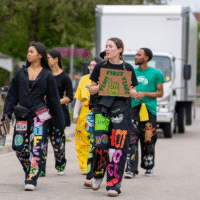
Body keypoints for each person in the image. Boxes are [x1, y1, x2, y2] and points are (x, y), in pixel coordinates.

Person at [1, 42, 65, 191]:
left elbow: (54, 100)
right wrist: (7, 114)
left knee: (36, 147)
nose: (28, 54)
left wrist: (59, 123)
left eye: (32, 52)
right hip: (22, 115)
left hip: (39, 116)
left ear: (40, 55)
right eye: (28, 52)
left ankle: (31, 178)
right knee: (18, 146)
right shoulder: (20, 73)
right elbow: (11, 95)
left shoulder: (47, 75)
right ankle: (30, 168)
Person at [89, 37, 138, 197]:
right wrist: (104, 85)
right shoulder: (100, 66)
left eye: (111, 46)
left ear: (120, 49)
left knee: (118, 148)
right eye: (106, 46)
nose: (107, 49)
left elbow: (134, 93)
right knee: (100, 144)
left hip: (121, 111)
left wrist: (125, 89)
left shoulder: (128, 68)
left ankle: (114, 184)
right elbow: (91, 90)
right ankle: (98, 173)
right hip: (101, 111)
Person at [124, 48, 164, 179]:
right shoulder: (131, 73)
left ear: (146, 58)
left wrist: (145, 93)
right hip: (133, 109)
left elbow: (160, 93)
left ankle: (148, 166)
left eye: (138, 55)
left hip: (148, 110)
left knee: (148, 138)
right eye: (136, 54)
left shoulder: (156, 73)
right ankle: (131, 169)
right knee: (132, 138)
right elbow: (125, 90)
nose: (135, 57)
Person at [39, 49, 73, 176]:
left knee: (57, 141)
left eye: (48, 58)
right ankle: (40, 168)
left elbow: (70, 97)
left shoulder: (64, 77)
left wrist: (56, 102)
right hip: (43, 111)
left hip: (58, 112)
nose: (46, 60)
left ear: (56, 59)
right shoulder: (44, 74)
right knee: (41, 139)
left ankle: (60, 163)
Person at [73, 58, 102, 175]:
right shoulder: (83, 79)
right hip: (85, 112)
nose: (91, 67)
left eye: (94, 65)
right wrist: (75, 114)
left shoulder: (103, 79)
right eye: (90, 65)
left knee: (97, 139)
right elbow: (78, 98)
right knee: (82, 138)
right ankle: (84, 165)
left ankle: (97, 164)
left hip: (99, 111)